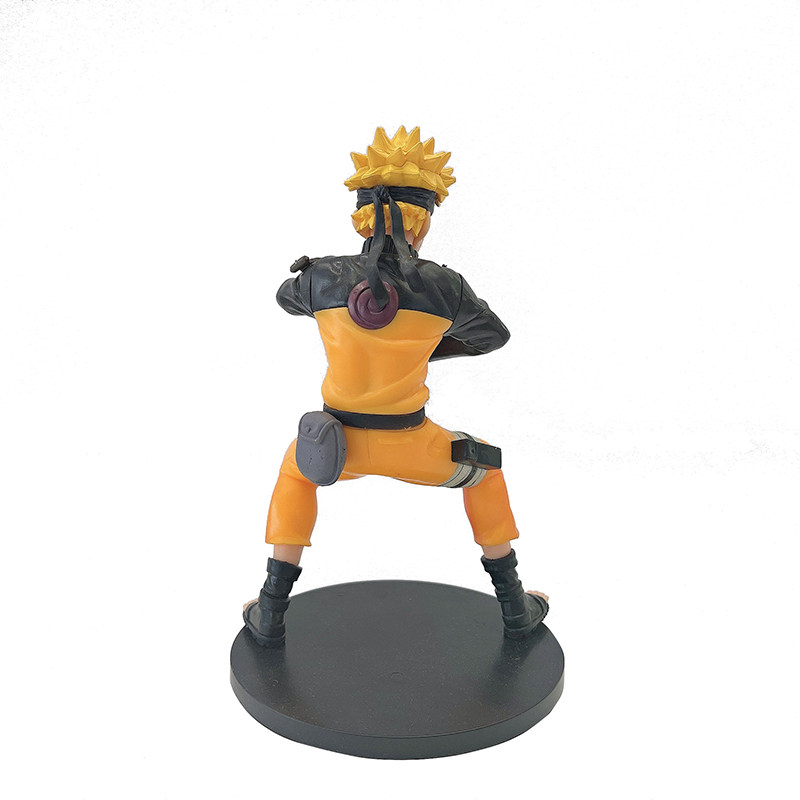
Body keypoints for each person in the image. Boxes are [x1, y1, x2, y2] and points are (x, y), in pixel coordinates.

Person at [243, 126, 549, 647]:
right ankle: (515, 606)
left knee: (293, 473)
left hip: (334, 448)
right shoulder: (445, 287)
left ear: (361, 217)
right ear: (422, 222)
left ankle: (270, 610)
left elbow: (284, 297)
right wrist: (426, 343)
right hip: (415, 447)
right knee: (486, 472)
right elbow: (492, 336)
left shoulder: (321, 278)